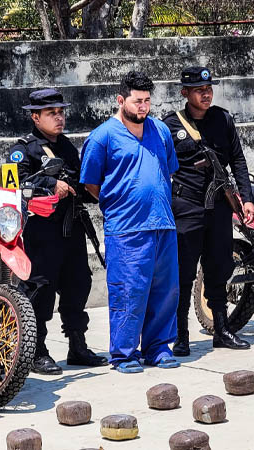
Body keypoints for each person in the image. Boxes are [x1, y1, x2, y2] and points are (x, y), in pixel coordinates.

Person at [81, 71, 181, 374]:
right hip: (126, 228)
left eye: (148, 100)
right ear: (120, 100)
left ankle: (158, 348)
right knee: (129, 291)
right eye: (138, 101)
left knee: (165, 291)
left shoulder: (161, 131)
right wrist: (123, 200)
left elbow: (169, 170)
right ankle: (124, 354)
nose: (144, 107)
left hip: (162, 222)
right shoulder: (103, 137)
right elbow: (91, 184)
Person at [8, 88, 108, 375]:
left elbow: (80, 181)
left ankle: (78, 345)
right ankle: (37, 351)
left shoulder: (66, 147)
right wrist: (50, 186)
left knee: (78, 286)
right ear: (35, 117)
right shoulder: (23, 150)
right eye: (52, 113)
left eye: (61, 112)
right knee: (40, 291)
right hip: (41, 232)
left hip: (72, 228)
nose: (59, 117)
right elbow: (12, 186)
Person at [161, 67, 254, 356]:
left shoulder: (223, 119)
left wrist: (247, 199)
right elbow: (161, 167)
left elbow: (237, 159)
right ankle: (181, 335)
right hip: (186, 206)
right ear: (184, 93)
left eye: (209, 88)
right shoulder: (169, 125)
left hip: (218, 206)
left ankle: (222, 330)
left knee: (219, 269)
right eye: (199, 89)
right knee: (184, 273)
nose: (206, 93)